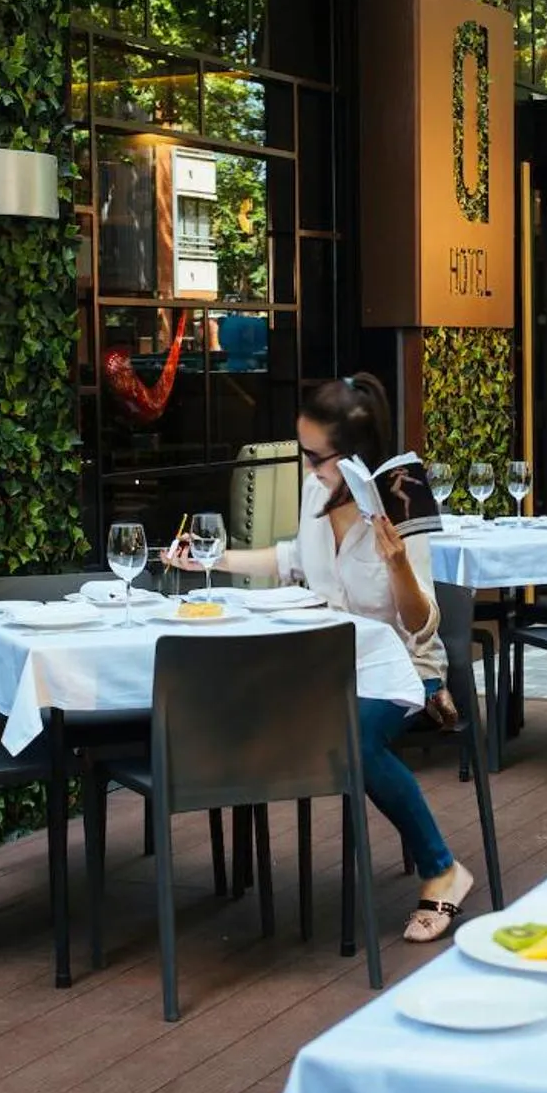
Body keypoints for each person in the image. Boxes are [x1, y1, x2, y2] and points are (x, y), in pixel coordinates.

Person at [165, 372, 474, 940]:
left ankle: (443, 870)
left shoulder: (402, 494)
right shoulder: (317, 489)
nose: (307, 467)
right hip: (322, 661)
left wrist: (399, 563)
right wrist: (213, 560)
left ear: (354, 454)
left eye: (314, 456)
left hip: (401, 669)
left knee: (351, 735)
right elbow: (293, 560)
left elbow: (423, 622)